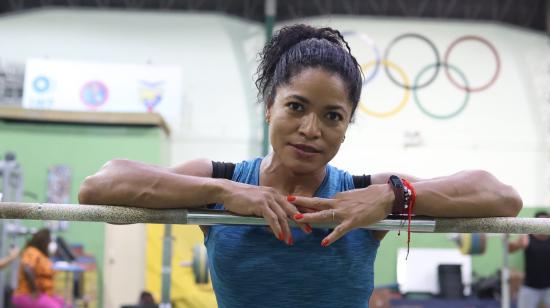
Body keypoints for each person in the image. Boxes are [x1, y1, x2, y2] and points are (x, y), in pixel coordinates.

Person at [78, 24, 523, 307]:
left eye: (333, 116)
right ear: (268, 108)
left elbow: (503, 197)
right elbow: (100, 186)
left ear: (347, 126)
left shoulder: (365, 192)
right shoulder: (224, 179)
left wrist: (394, 195)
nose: (312, 129)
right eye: (296, 107)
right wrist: (223, 193)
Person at [12, 228, 65, 308]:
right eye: (49, 241)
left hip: (42, 294)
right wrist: (34, 291)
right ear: (43, 241)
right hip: (27, 294)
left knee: (65, 304)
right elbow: (27, 270)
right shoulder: (31, 251)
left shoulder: (42, 255)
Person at [508, 211, 550, 308]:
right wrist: (518, 244)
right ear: (535, 225)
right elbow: (509, 249)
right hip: (530, 287)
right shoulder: (527, 238)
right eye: (541, 223)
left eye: (546, 223)